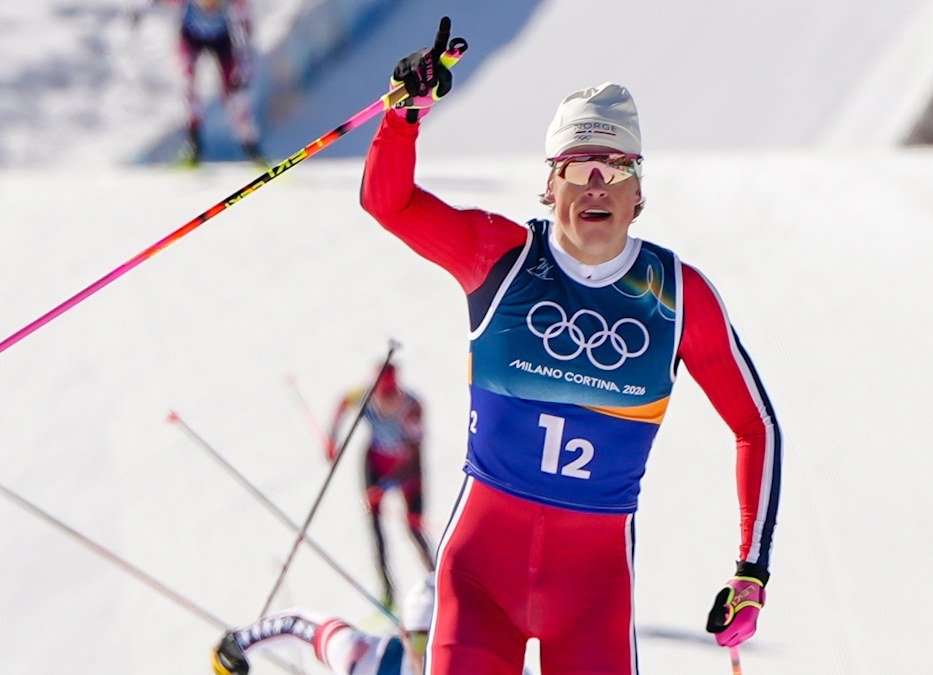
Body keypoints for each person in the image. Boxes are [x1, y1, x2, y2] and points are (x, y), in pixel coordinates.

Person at [357, 18, 782, 674]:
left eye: (618, 168)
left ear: (640, 192)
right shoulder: (498, 256)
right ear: (548, 183)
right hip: (478, 584)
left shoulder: (678, 295)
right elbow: (390, 204)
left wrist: (750, 572)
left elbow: (754, 425)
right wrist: (404, 115)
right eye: (580, 166)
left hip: (594, 599)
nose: (597, 185)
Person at [329, 362, 435, 608]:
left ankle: (437, 581)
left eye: (389, 395)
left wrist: (385, 488)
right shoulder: (364, 395)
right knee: (375, 529)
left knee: (414, 528)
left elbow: (414, 456)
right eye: (380, 395)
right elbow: (343, 402)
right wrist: (332, 438)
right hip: (375, 463)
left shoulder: (411, 408)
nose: (384, 401)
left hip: (406, 470)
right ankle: (387, 592)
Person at [211, 574, 435, 675]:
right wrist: (238, 644)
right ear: (403, 634)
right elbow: (294, 625)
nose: (429, 652)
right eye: (421, 641)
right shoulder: (365, 660)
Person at [132, 0, 266, 165]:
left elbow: (247, 32)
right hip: (190, 40)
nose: (210, 4)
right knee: (187, 87)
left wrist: (243, 72)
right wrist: (139, 10)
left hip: (222, 42)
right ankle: (194, 146)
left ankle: (252, 149)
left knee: (235, 97)